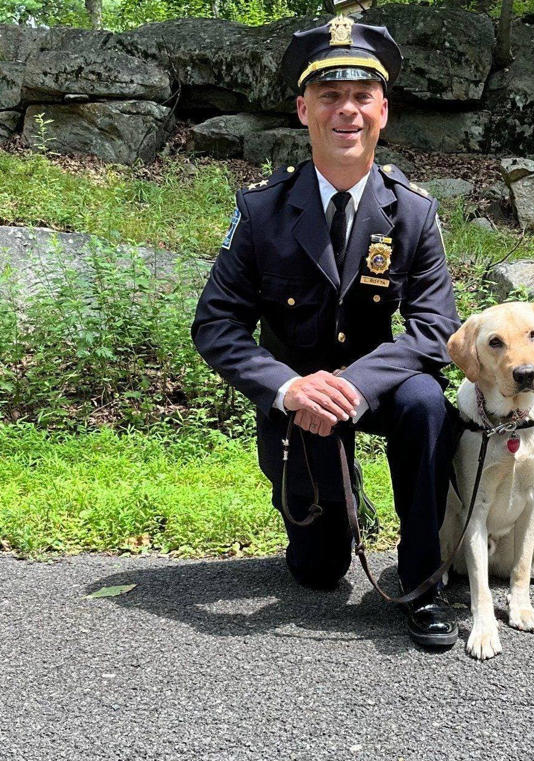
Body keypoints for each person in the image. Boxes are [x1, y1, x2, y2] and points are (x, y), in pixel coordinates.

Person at [192, 15, 461, 648]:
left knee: (427, 402)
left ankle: (423, 582)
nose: (348, 111)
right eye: (330, 96)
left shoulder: (413, 213)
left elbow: (435, 327)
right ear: (303, 109)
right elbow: (216, 324)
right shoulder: (260, 211)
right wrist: (288, 390)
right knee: (318, 573)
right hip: (299, 402)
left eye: (362, 97)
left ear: (383, 110)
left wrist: (355, 386)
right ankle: (337, 509)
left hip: (379, 388)